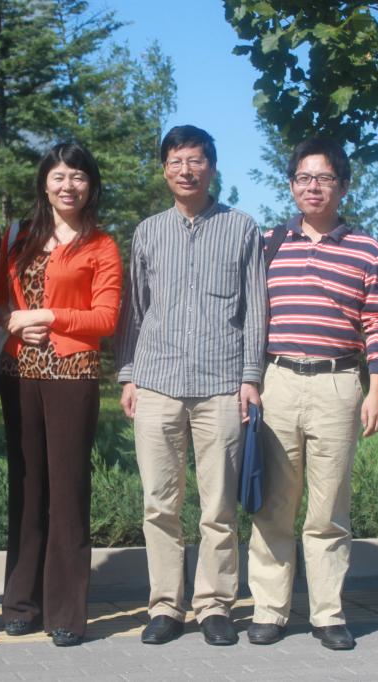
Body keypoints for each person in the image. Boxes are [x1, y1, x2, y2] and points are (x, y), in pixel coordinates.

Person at [115, 125, 267, 646]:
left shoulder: (242, 227)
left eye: (196, 160)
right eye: (176, 161)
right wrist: (128, 374)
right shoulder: (148, 231)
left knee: (218, 506)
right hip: (156, 383)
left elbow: (256, 310)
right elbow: (135, 310)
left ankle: (214, 605)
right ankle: (165, 605)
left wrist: (250, 377)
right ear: (164, 170)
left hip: (221, 384)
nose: (187, 170)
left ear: (212, 167)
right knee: (160, 504)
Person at [246, 137, 378, 650]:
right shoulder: (267, 244)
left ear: (343, 186)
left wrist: (376, 390)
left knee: (328, 509)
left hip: (338, 382)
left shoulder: (368, 249)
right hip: (278, 381)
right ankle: (269, 610)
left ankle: (328, 613)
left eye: (325, 178)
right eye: (304, 178)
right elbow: (248, 318)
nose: (314, 187)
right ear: (291, 185)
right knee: (274, 505)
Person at [0, 143, 122, 647]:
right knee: (26, 487)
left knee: (67, 491)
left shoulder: (101, 245)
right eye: (59, 176)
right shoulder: (18, 237)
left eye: (79, 177)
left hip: (73, 372)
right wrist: (13, 321)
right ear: (44, 183)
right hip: (18, 370)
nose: (69, 186)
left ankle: (66, 611)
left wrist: (46, 316)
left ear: (91, 185)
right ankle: (21, 602)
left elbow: (105, 318)